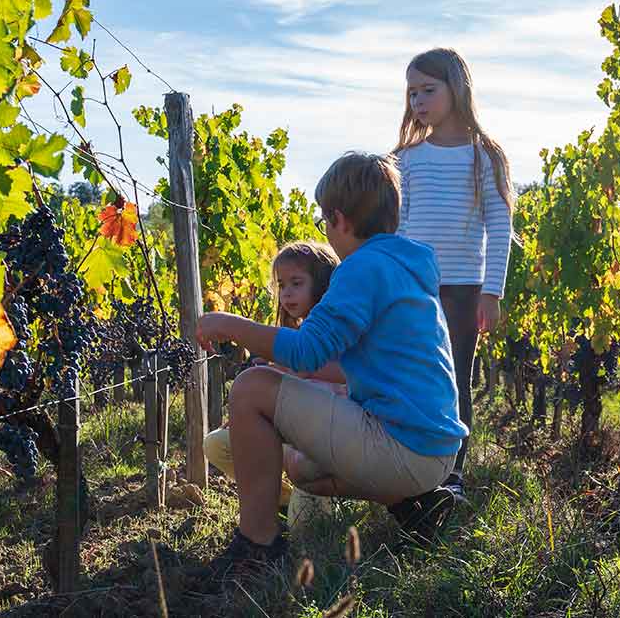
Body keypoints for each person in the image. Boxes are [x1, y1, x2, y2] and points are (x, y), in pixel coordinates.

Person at [195, 152, 467, 581]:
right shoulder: (405, 264)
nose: (325, 228)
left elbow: (306, 352)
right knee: (305, 472)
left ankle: (257, 545)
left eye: (325, 219)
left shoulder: (362, 268)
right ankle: (418, 506)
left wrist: (229, 324)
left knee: (251, 388)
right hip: (435, 452)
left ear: (339, 219)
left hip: (403, 447)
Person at [394, 47, 514, 500]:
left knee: (456, 377)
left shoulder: (485, 156)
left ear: (457, 89)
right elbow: (400, 225)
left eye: (428, 90)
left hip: (464, 289)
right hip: (416, 288)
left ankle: (452, 476)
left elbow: (500, 226)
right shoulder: (406, 158)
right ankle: (413, 469)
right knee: (414, 376)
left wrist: (492, 291)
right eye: (412, 93)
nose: (419, 102)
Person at [203, 241, 342, 534]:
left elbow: (326, 377)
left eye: (296, 283)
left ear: (322, 284)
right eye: (281, 284)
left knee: (307, 532)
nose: (286, 292)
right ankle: (281, 500)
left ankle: (318, 506)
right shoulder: (296, 335)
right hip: (293, 434)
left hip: (325, 444)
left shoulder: (333, 333)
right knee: (217, 444)